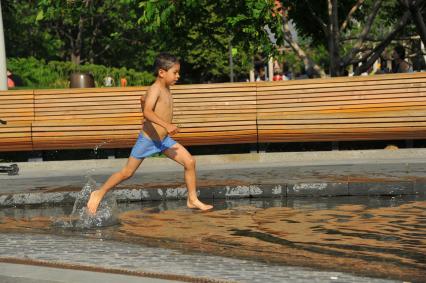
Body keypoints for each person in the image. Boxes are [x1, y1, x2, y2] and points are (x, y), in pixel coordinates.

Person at [87, 53, 213, 214]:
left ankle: (192, 199)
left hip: (163, 140)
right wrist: (165, 124)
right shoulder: (155, 89)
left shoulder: (165, 88)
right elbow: (148, 110)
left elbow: (142, 101)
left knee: (189, 162)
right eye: (175, 72)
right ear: (162, 72)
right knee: (127, 172)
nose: (178, 76)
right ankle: (99, 192)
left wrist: (145, 113)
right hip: (147, 140)